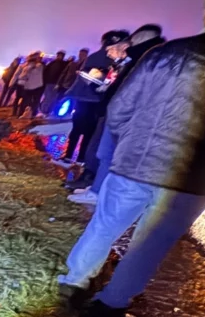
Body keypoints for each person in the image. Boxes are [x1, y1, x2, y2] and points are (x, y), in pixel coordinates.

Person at [57, 0, 205, 317]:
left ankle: (73, 283)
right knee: (150, 244)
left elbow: (119, 110)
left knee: (104, 226)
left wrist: (131, 142)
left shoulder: (167, 53)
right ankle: (109, 306)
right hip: (192, 178)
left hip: (134, 163)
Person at [68, 25, 166, 204]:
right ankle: (96, 187)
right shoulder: (136, 61)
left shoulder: (144, 61)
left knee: (106, 153)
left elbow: (133, 91)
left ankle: (98, 192)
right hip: (114, 111)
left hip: (121, 115)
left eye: (112, 49)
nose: (109, 53)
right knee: (102, 151)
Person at [58, 30, 130, 163]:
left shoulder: (96, 56)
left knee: (78, 128)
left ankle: (70, 155)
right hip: (93, 99)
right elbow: (91, 79)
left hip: (84, 98)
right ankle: (79, 156)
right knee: (88, 130)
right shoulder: (108, 58)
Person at [10, 52, 45, 118]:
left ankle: (21, 113)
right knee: (34, 101)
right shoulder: (40, 66)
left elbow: (21, 76)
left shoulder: (28, 67)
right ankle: (32, 114)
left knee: (25, 100)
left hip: (29, 86)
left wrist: (13, 82)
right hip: (37, 86)